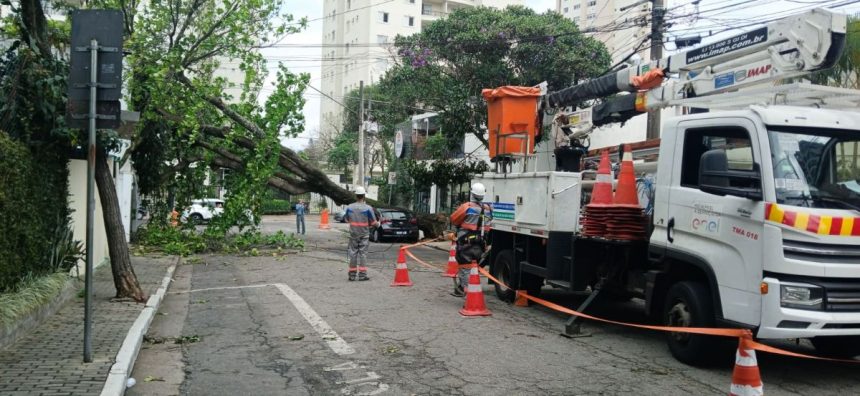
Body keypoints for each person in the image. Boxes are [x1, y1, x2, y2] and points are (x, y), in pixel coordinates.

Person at [449, 182, 493, 297]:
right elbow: (488, 226)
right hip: (480, 244)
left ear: (472, 193)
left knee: (465, 267)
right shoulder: (488, 209)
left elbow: (454, 219)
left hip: (465, 242)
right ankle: (461, 288)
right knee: (473, 268)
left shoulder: (467, 207)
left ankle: (469, 294)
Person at [345, 187, 377, 281]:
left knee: (353, 254)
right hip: (364, 235)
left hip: (353, 234)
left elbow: (347, 219)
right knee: (363, 254)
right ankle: (362, 275)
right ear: (364, 196)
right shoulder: (368, 208)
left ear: (356, 196)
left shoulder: (350, 207)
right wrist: (378, 224)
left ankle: (352, 275)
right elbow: (374, 222)